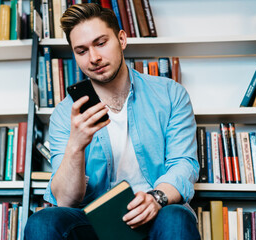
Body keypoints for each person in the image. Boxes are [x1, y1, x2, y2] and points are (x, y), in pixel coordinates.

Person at [25, 3, 200, 240]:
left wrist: (156, 198)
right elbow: (66, 200)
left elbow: (184, 163)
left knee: (177, 217)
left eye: (101, 43)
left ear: (122, 39)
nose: (94, 58)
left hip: (157, 213)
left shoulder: (170, 95)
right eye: (82, 50)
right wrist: (75, 146)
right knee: (43, 222)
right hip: (94, 221)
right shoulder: (65, 113)